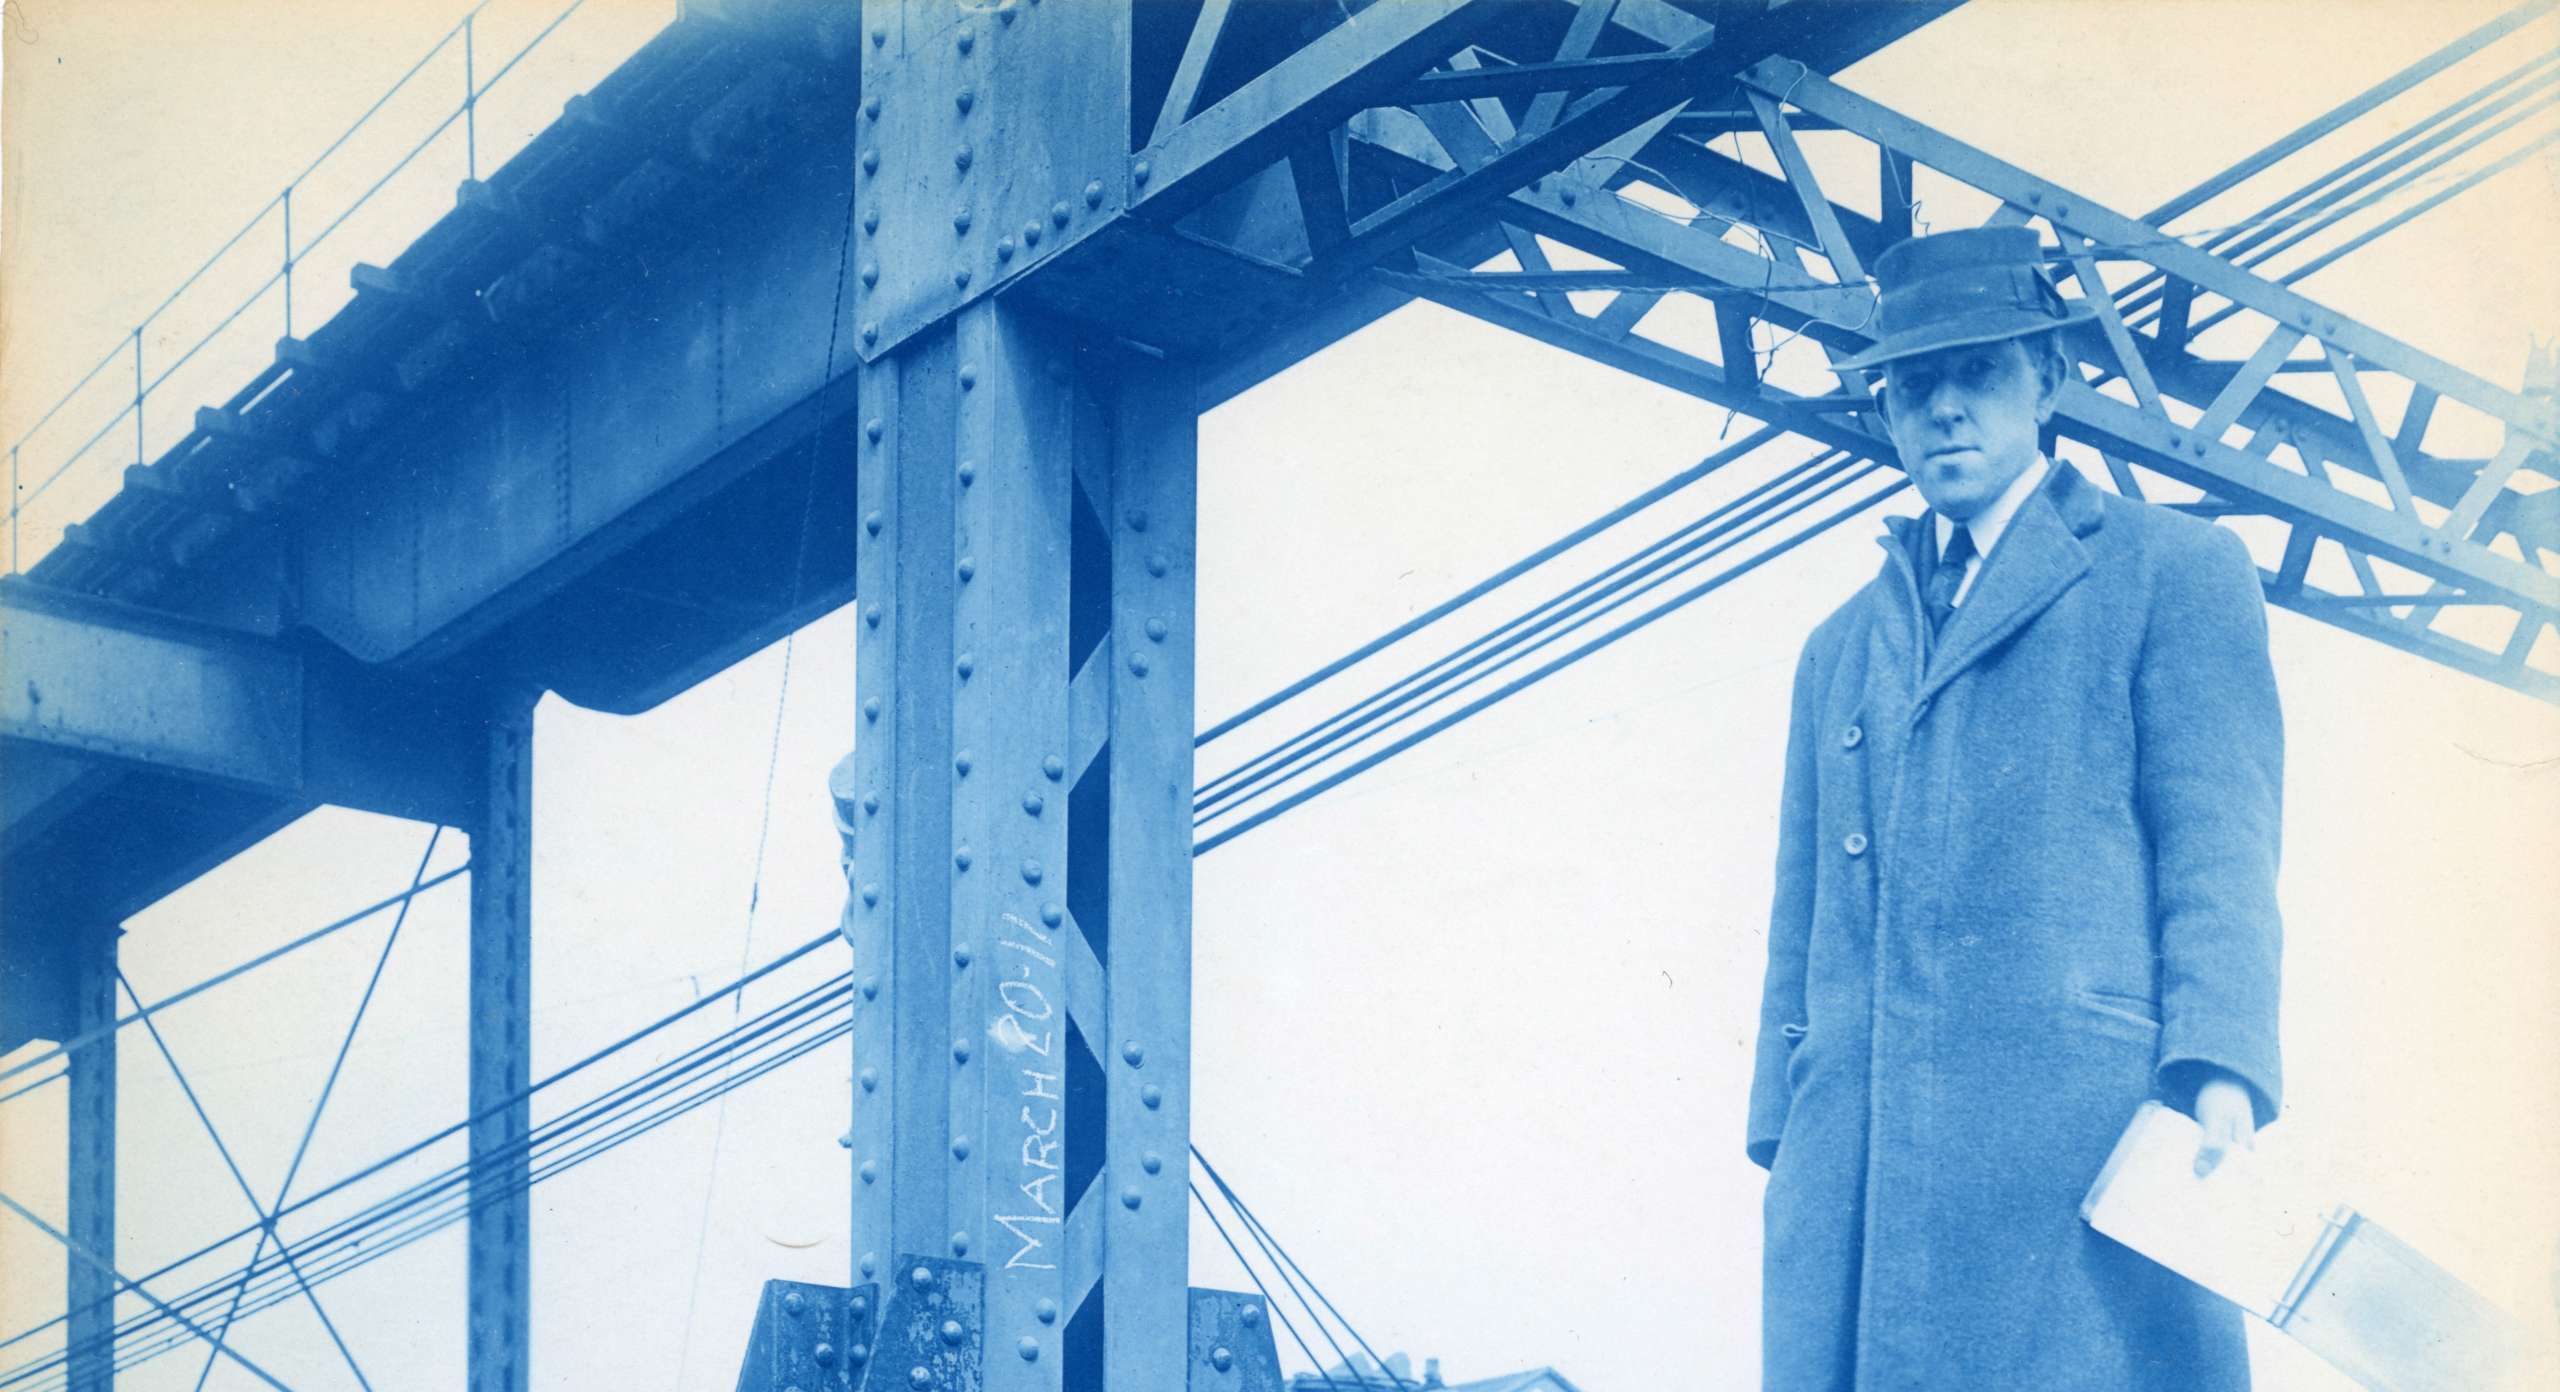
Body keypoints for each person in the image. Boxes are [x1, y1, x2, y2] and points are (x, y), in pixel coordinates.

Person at [1745, 226, 2284, 1390]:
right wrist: (1788, 1139)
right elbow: (1798, 929)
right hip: (1857, 1167)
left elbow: (2219, 851)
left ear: (2048, 381)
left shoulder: (2173, 569)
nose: (1943, 409)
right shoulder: (1836, 648)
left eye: (1977, 371)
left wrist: (2219, 1071)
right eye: (1913, 383)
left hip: (2072, 1132)